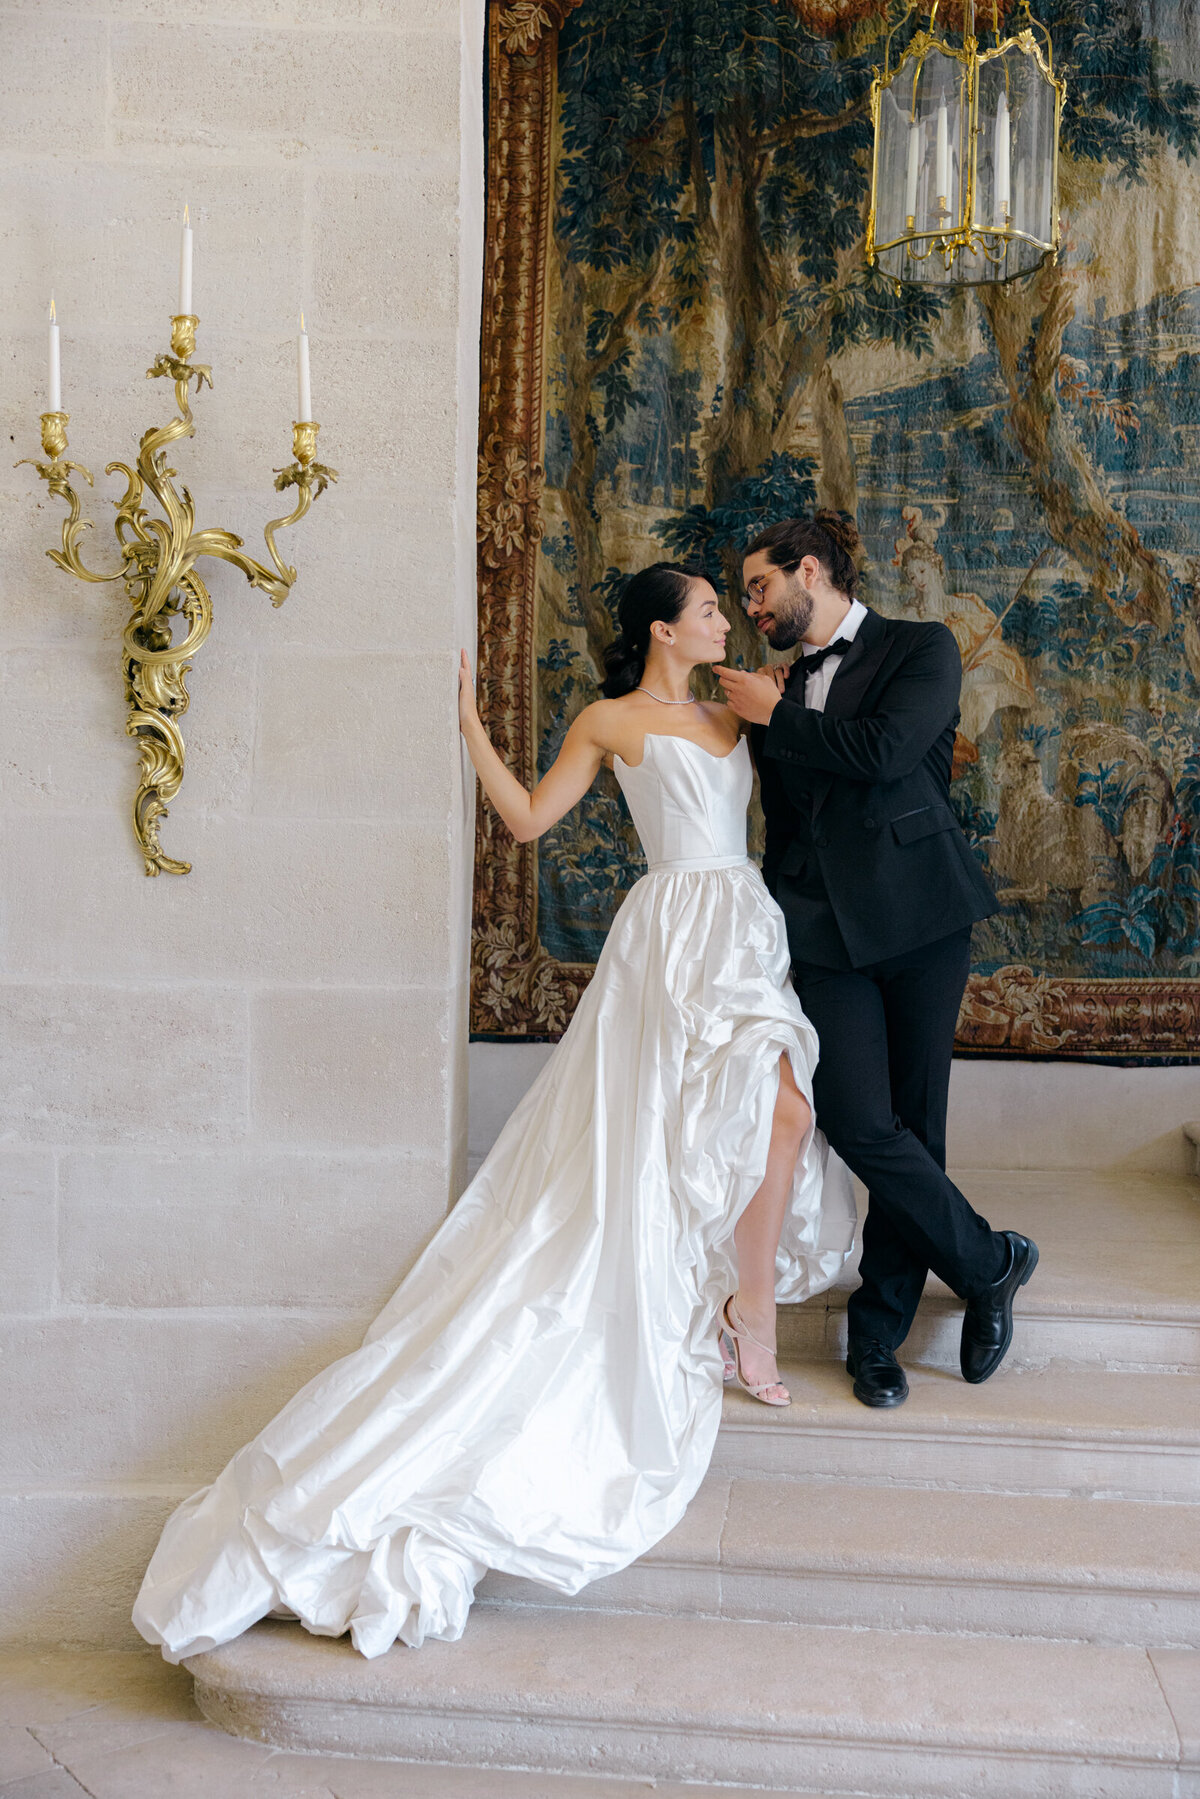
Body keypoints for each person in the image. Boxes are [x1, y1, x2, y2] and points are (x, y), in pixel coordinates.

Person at [132, 562, 854, 1662]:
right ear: (664, 627)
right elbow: (526, 820)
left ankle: (746, 1308)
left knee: (785, 1113)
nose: (727, 617)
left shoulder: (734, 706)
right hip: (670, 938)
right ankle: (740, 1315)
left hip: (743, 927)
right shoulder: (609, 718)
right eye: (710, 606)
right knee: (689, 1138)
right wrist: (471, 728)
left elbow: (812, 762)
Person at [718, 512, 1038, 1411]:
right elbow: (785, 814)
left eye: (760, 587)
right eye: (745, 596)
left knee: (914, 1119)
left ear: (809, 571)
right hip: (822, 932)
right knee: (859, 1119)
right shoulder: (777, 686)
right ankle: (988, 1261)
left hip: (922, 918)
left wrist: (779, 715)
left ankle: (877, 1338)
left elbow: (889, 754)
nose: (752, 606)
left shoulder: (919, 648)